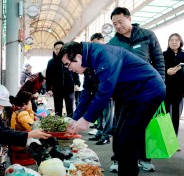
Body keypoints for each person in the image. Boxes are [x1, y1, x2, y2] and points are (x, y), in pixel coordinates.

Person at [60, 41, 165, 176]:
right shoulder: (89, 62)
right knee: (120, 137)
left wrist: (86, 119)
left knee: (127, 139)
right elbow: (87, 92)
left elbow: (105, 90)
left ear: (79, 57)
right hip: (131, 96)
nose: (68, 68)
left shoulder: (102, 55)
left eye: (68, 64)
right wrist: (74, 119)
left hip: (147, 92)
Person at [108, 6, 165, 172]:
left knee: (142, 127)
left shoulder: (148, 35)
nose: (118, 26)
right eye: (114, 24)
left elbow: (159, 61)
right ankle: (118, 159)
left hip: (147, 91)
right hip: (124, 94)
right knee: (119, 128)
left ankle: (144, 158)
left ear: (129, 18)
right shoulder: (113, 42)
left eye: (120, 21)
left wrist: (161, 83)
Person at [0, 84, 51, 174]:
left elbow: (3, 128)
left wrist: (28, 136)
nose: (2, 109)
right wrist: (29, 135)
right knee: (0, 143)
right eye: (1, 106)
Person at [87, 33, 114, 145]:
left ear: (102, 40)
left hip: (108, 88)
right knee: (100, 112)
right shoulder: (95, 54)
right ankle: (100, 131)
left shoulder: (109, 52)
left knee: (108, 114)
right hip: (98, 88)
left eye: (96, 43)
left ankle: (106, 135)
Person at [46, 41, 80, 117]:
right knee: (58, 109)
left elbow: (75, 72)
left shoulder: (69, 59)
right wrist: (48, 89)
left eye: (60, 48)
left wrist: (77, 83)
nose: (58, 50)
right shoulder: (51, 62)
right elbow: (48, 76)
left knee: (70, 108)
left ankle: (70, 124)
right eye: (56, 49)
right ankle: (59, 125)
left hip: (69, 89)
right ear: (54, 50)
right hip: (57, 89)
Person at [163, 33, 184, 139]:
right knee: (165, 115)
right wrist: (166, 71)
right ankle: (165, 139)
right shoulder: (163, 55)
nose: (174, 42)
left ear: (180, 42)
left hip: (179, 91)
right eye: (171, 40)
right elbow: (158, 68)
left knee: (176, 116)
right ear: (168, 42)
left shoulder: (183, 55)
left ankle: (173, 140)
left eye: (176, 40)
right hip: (166, 89)